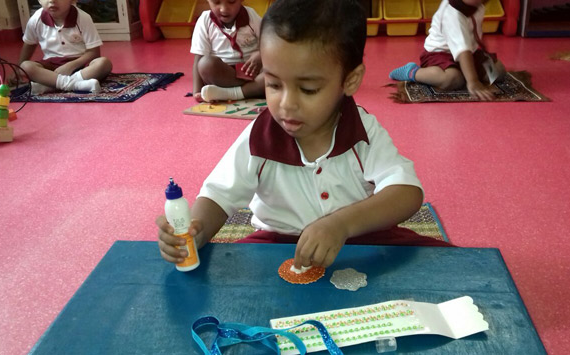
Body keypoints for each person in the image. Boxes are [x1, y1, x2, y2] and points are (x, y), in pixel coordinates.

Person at [157, 0, 452, 271]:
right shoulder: (259, 137)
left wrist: (341, 225)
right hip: (279, 246)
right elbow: (218, 196)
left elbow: (406, 192)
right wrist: (196, 230)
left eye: (308, 89)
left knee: (450, 267)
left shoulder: (362, 131)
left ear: (350, 80)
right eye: (273, 85)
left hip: (365, 239)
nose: (287, 104)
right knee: (228, 280)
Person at [389, 0, 505, 101]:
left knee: (498, 72)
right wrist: (473, 81)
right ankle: (413, 72)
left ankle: (465, 72)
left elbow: (475, 35)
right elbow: (463, 51)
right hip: (440, 53)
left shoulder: (477, 6)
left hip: (470, 52)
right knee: (452, 79)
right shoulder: (452, 13)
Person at [18, 0, 112, 95]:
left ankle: (49, 85)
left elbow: (94, 53)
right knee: (25, 66)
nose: (52, 0)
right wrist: (17, 70)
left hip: (80, 66)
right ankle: (75, 85)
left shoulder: (83, 18)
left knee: (104, 63)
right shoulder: (36, 19)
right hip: (52, 68)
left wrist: (71, 65)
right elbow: (29, 44)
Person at [191, 0, 265, 102]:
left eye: (231, 1)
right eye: (216, 2)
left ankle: (228, 93)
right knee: (205, 63)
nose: (224, 9)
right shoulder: (205, 20)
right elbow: (198, 58)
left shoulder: (251, 15)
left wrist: (261, 54)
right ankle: (252, 90)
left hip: (252, 70)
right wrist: (197, 91)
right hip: (224, 75)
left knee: (277, 71)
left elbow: (269, 42)